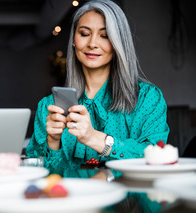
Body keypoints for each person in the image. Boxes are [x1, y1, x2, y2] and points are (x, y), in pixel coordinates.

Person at [26, 0, 169, 181]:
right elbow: (40, 177)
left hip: (129, 206)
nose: (93, 43)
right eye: (85, 34)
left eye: (105, 35)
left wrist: (94, 138)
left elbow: (155, 157)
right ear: (73, 41)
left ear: (119, 42)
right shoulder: (49, 106)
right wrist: (53, 142)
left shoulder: (147, 98)